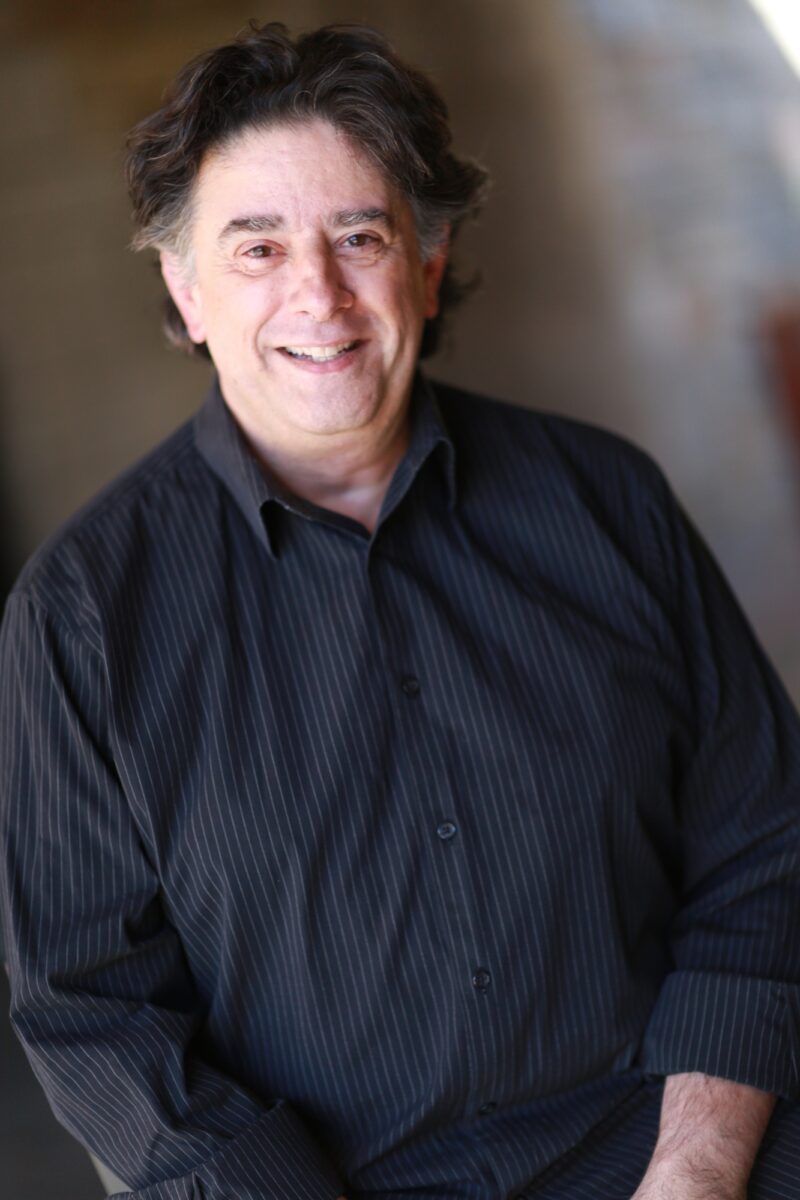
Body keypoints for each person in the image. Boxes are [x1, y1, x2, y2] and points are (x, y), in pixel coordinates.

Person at [1, 21, 798, 1200]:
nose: (317, 295)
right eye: (257, 248)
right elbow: (93, 1012)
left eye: (358, 237)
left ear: (425, 263)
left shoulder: (607, 502)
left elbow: (766, 849)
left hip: (672, 1144)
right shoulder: (79, 618)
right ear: (186, 289)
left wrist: (694, 1168)